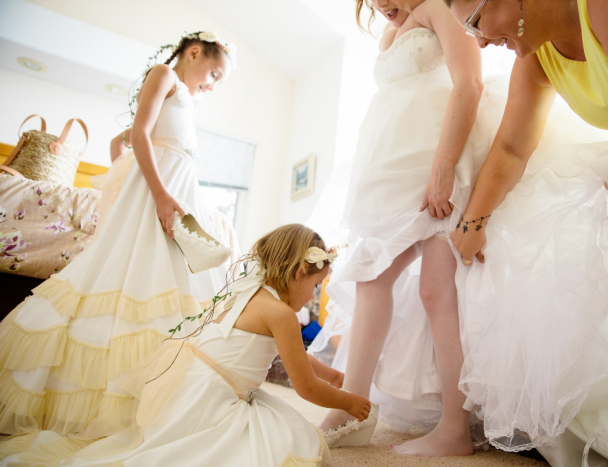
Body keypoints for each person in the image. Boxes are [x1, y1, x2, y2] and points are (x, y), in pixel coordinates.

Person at [442, 0, 608, 464]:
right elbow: (512, 146)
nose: (478, 40)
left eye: (476, 22)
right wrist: (471, 224)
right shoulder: (539, 56)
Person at [0, 31, 235, 440]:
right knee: (136, 271)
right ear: (194, 53)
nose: (211, 85)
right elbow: (139, 134)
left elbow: (125, 141)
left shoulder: (185, 100)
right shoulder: (165, 75)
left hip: (177, 191)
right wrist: (157, 194)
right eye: (213, 73)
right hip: (159, 194)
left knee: (174, 278)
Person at [0, 224, 373, 467]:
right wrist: (349, 402)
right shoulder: (282, 315)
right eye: (316, 286)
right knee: (288, 440)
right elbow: (305, 387)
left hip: (184, 386)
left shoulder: (247, 294)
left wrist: (333, 374)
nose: (313, 294)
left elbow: (293, 354)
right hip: (210, 400)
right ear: (297, 273)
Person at [310, 0, 500, 457]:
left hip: (433, 162)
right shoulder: (387, 35)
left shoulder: (439, 8)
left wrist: (443, 168)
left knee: (437, 291)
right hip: (389, 168)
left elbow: (469, 83)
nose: (380, 5)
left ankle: (454, 429)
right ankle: (353, 409)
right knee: (373, 280)